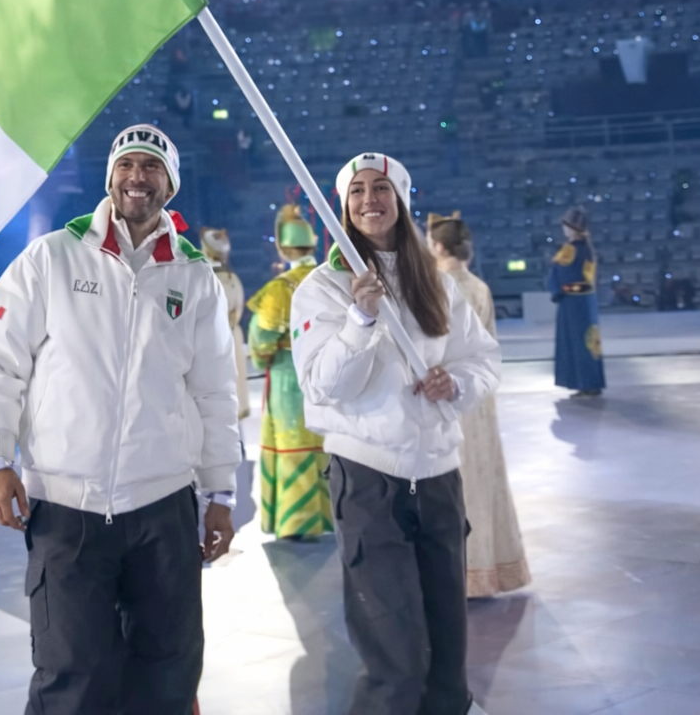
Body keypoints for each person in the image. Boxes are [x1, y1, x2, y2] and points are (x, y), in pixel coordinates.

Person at [0, 124, 240, 715]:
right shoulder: (53, 256)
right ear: (110, 178)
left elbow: (214, 391)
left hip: (162, 505)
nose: (138, 177)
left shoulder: (194, 276)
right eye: (127, 165)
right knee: (72, 673)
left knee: (167, 670)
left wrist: (220, 493)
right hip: (67, 506)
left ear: (171, 185)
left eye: (152, 167)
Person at [292, 152, 500, 715]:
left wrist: (455, 383)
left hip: (438, 478)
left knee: (448, 655)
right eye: (357, 190)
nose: (369, 200)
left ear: (402, 199)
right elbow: (322, 386)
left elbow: (482, 359)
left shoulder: (437, 283)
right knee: (396, 659)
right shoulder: (324, 287)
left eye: (381, 187)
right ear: (343, 206)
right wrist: (359, 320)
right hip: (369, 481)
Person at [427, 212, 531, 598]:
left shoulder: (433, 286)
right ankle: (486, 569)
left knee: (451, 482)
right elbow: (490, 349)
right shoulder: (480, 287)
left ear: (438, 247)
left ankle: (456, 572)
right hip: (480, 399)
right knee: (482, 479)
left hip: (445, 395)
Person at [247, 204, 333, 539]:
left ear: (282, 249)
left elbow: (263, 337)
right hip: (327, 372)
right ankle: (331, 515)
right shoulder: (329, 280)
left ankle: (298, 521)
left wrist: (262, 357)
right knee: (325, 443)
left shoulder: (281, 288)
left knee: (293, 443)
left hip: (288, 376)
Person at [547, 206, 605, 396]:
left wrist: (558, 290)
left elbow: (559, 273)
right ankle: (590, 382)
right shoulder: (588, 249)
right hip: (586, 301)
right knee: (587, 341)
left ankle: (585, 383)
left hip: (572, 302)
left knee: (577, 342)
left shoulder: (570, 250)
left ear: (572, 228)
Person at [202, 226, 251, 420]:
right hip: (232, 334)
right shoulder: (233, 279)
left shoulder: (203, 278)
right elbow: (238, 309)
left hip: (210, 338)